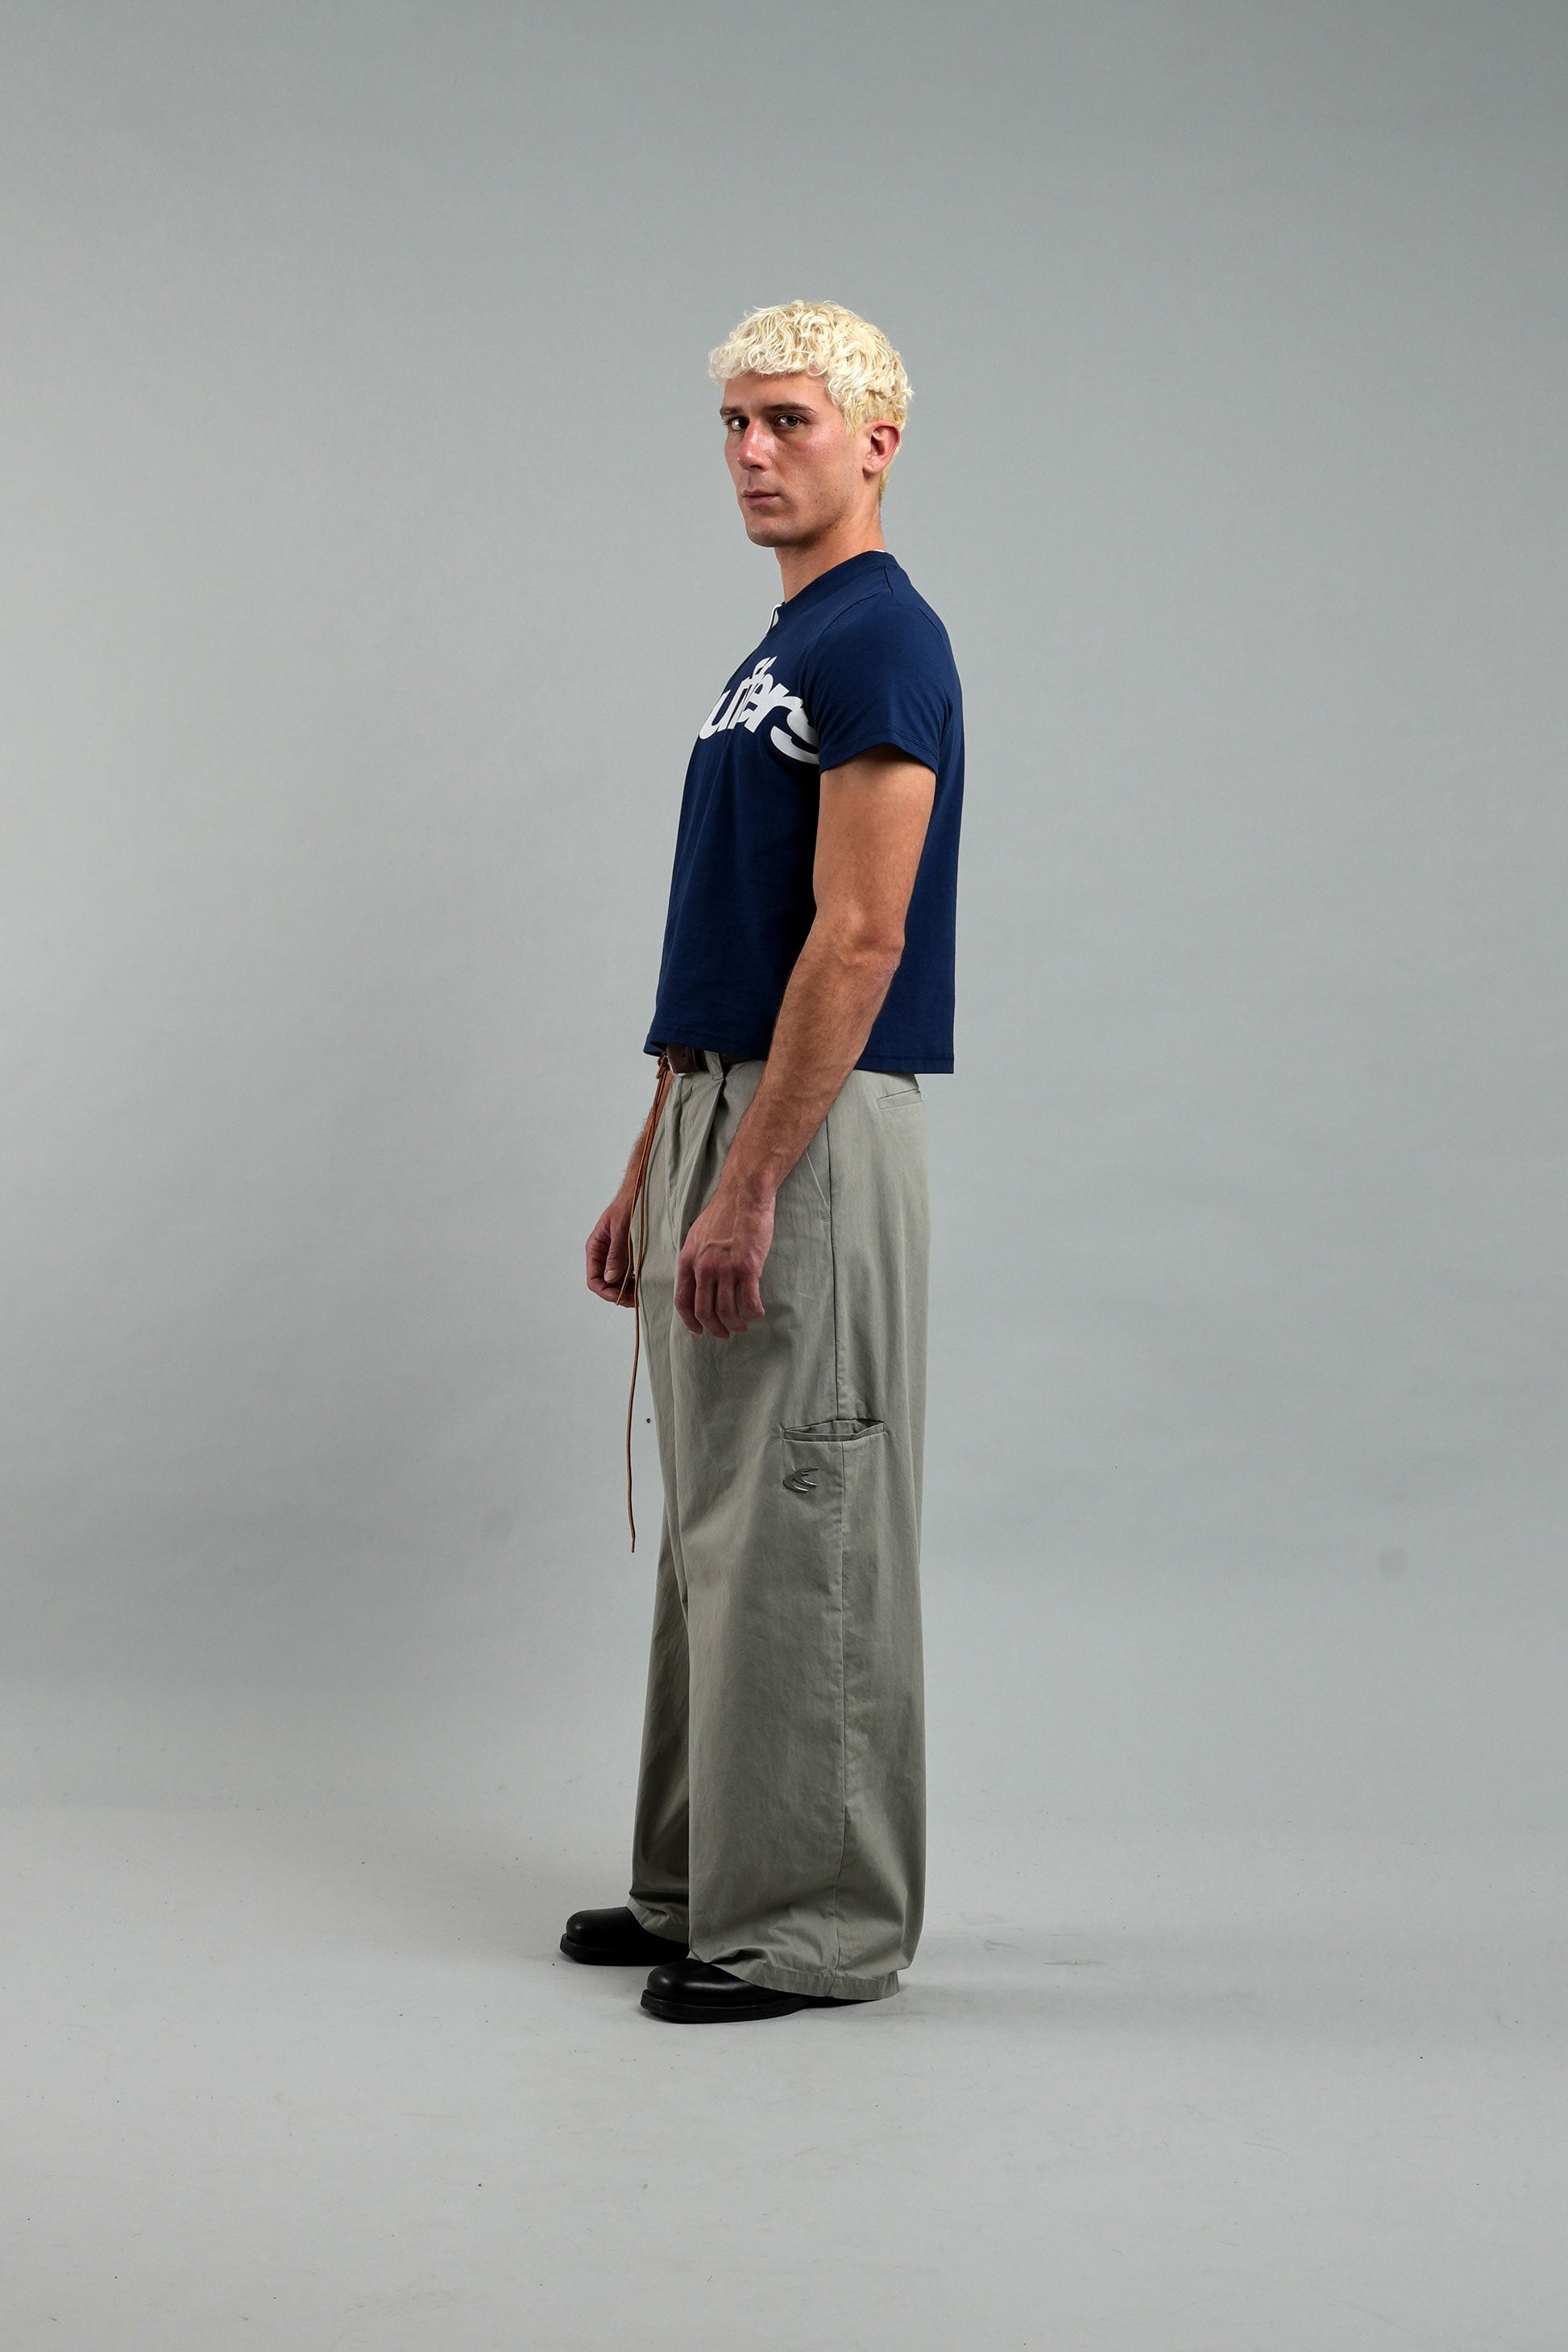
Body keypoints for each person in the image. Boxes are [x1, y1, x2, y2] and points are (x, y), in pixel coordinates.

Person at [566, 300, 964, 2023]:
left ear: (876, 440)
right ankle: (699, 1883)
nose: (749, 452)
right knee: (718, 1521)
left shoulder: (881, 638)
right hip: (722, 1106)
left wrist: (748, 1183)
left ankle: (808, 1924)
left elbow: (858, 935)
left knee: (806, 1507)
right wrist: (657, 1160)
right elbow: (729, 942)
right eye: (732, 423)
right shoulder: (782, 649)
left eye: (787, 419)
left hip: (813, 1123)